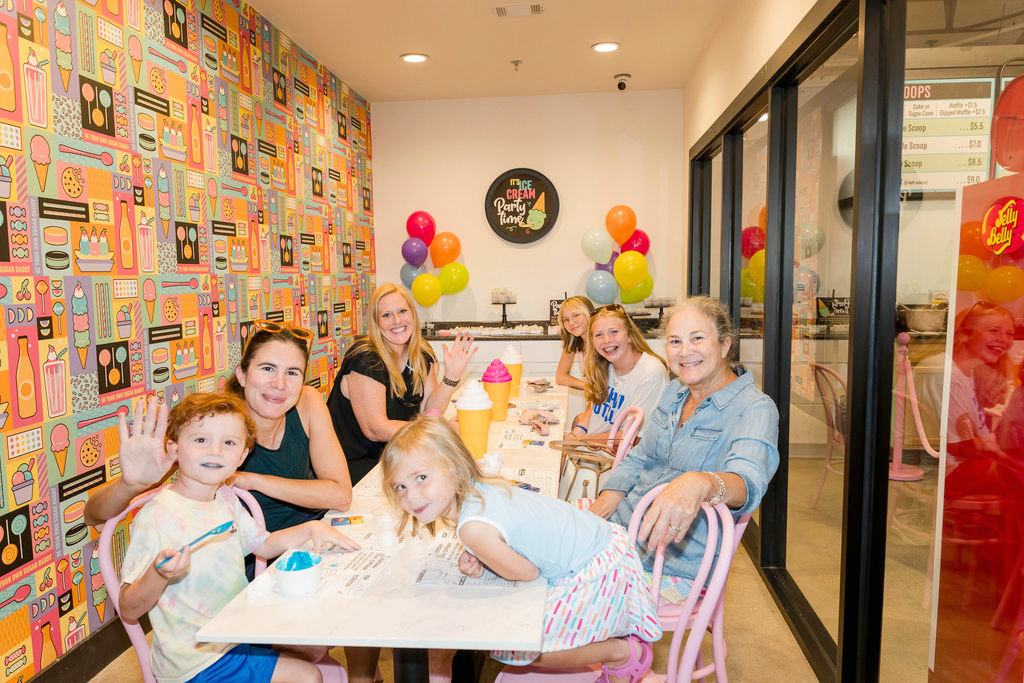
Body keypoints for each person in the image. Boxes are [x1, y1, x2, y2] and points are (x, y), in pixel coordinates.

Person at [381, 416, 662, 682]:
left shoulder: (472, 528)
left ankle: (620, 652)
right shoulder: (481, 487)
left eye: (421, 478)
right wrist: (487, 555)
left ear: (452, 466)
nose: (411, 496)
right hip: (610, 544)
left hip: (598, 571)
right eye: (400, 487)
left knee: (517, 645)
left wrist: (486, 552)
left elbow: (528, 573)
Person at [118, 393, 359, 683]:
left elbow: (264, 543)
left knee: (317, 640)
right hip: (196, 660)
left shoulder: (226, 498)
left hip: (237, 633)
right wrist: (159, 574)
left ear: (242, 456)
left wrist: (311, 529)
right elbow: (129, 609)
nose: (215, 451)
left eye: (229, 443)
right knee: (307, 676)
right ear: (174, 449)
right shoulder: (157, 517)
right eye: (201, 440)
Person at [588, 296, 779, 601]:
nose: (685, 351)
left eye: (697, 338)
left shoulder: (755, 408)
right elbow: (642, 455)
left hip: (670, 563)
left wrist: (702, 482)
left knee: (546, 594)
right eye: (675, 341)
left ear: (725, 345)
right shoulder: (675, 391)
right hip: (622, 530)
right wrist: (608, 498)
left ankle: (623, 651)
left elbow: (749, 483)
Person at [85, 320, 353, 534]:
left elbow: (340, 495)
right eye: (268, 368)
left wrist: (255, 481)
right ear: (242, 375)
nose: (280, 384)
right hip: (249, 566)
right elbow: (93, 515)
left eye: (292, 372)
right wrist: (130, 485)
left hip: (314, 536)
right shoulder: (212, 425)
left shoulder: (307, 402)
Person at [326, 283, 476, 484]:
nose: (397, 320)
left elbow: (429, 412)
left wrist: (452, 376)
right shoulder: (366, 358)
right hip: (353, 466)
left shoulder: (420, 353)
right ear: (376, 322)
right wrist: (434, 432)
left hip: (396, 455)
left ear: (412, 315)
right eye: (386, 315)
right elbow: (375, 428)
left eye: (402, 311)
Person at [566, 304, 668, 440]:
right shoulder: (602, 365)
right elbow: (593, 408)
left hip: (614, 458)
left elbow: (632, 438)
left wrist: (580, 442)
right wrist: (575, 434)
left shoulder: (650, 372)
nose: (606, 340)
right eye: (598, 335)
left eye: (614, 332)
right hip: (591, 450)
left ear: (629, 335)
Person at [555, 296, 595, 391]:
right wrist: (589, 387)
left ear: (589, 313)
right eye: (566, 319)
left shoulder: (602, 341)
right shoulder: (574, 341)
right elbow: (560, 377)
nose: (571, 323)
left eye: (576, 315)